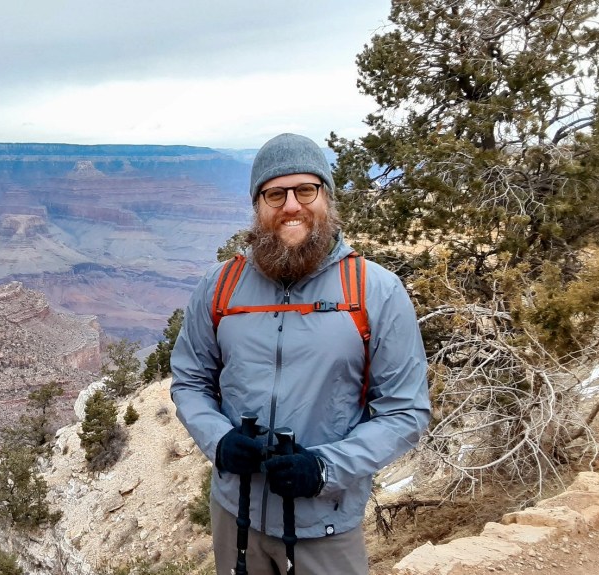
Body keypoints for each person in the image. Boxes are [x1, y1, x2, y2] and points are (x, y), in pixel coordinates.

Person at [170, 133, 430, 575]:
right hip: (235, 518)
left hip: (325, 523)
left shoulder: (376, 290)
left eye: (305, 190)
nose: (291, 206)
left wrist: (325, 468)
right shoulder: (220, 286)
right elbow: (190, 380)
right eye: (275, 194)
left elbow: (405, 411)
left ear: (326, 197)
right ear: (258, 205)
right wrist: (219, 440)